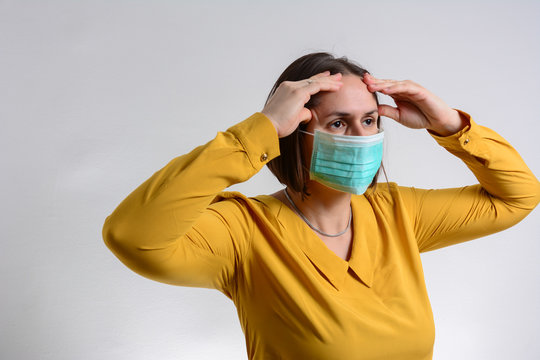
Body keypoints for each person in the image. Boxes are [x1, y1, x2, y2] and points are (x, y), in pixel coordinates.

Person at [102, 52, 539, 359]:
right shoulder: (245, 232)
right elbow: (133, 236)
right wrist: (259, 131)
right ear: (295, 131)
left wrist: (449, 126)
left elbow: (519, 196)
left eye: (369, 120)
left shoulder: (397, 213)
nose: (362, 137)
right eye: (337, 123)